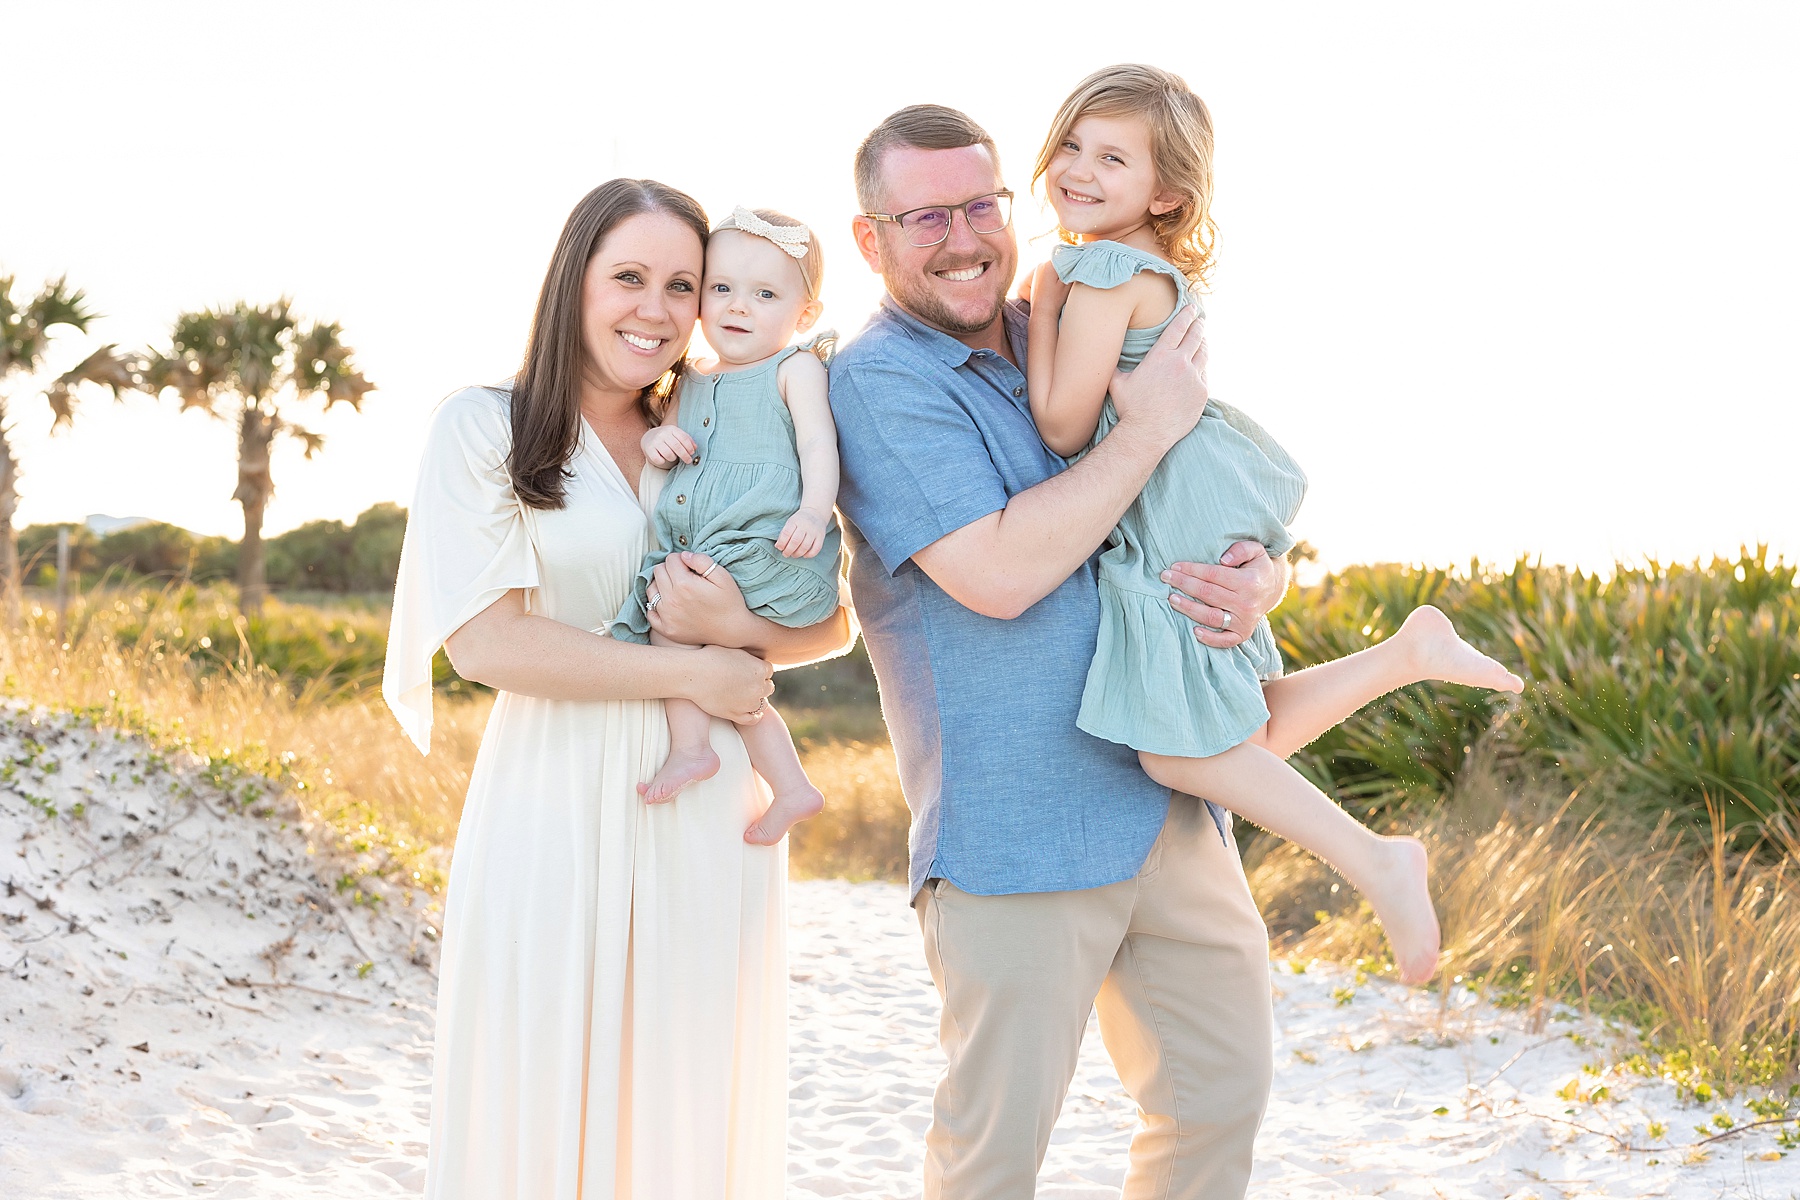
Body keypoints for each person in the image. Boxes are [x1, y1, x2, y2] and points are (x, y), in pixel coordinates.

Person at [831, 105, 1284, 1199]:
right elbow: (995, 573)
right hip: (1015, 831)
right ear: (871, 238)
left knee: (1216, 1105)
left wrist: (1261, 572)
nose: (964, 235)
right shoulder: (881, 381)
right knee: (994, 1157)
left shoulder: (1078, 313)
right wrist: (1143, 430)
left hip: (1170, 799)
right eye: (925, 214)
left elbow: (1207, 487)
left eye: (981, 203)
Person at [381, 178, 853, 1200]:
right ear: (573, 283)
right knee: (544, 1080)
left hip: (709, 810)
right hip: (553, 793)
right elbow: (488, 645)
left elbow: (831, 618)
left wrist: (734, 628)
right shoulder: (484, 428)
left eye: (683, 283)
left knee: (684, 1097)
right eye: (628, 276)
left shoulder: (721, 421)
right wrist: (696, 667)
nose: (657, 307)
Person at [1023, 64, 1524, 985]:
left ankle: (1375, 858)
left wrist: (1046, 306)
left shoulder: (1098, 273)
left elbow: (1059, 421)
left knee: (1175, 747)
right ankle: (1403, 655)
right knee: (1233, 730)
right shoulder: (1149, 270)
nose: (1080, 171)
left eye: (1113, 158)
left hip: (1165, 495)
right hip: (1195, 486)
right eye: (1072, 146)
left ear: (1165, 195)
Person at [612, 206, 840, 845]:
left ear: (805, 313)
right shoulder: (687, 379)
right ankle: (789, 786)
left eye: (766, 294)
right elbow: (661, 432)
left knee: (679, 634)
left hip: (766, 542)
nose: (740, 307)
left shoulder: (794, 369)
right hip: (702, 545)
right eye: (723, 288)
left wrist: (813, 513)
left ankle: (693, 751)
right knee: (709, 659)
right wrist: (659, 437)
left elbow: (820, 447)